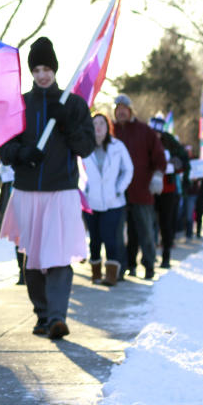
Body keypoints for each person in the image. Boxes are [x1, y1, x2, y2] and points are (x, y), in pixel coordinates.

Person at [0, 37, 95, 340]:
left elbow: (87, 147)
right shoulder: (20, 104)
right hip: (27, 191)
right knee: (33, 256)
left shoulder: (73, 104)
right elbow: (5, 148)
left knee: (58, 255)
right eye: (37, 69)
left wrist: (67, 125)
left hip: (62, 190)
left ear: (55, 69)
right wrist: (21, 154)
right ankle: (42, 314)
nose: (43, 74)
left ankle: (57, 317)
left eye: (47, 68)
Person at [112, 94, 166, 280]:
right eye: (117, 109)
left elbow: (159, 156)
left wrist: (158, 175)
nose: (121, 112)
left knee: (145, 232)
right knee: (119, 233)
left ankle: (149, 266)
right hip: (116, 193)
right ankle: (124, 265)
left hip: (141, 191)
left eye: (124, 108)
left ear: (130, 110)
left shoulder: (145, 131)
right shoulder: (111, 132)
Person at [81, 113, 133, 286]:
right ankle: (96, 274)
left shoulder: (118, 146)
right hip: (91, 202)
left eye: (102, 123)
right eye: (95, 123)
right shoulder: (84, 148)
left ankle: (111, 276)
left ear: (107, 126)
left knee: (110, 238)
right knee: (95, 240)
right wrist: (83, 190)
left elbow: (128, 170)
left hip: (113, 202)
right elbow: (78, 172)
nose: (98, 126)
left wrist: (119, 189)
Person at [149, 116, 189, 268]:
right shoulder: (147, 141)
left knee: (166, 224)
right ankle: (150, 255)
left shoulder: (170, 143)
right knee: (150, 223)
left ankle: (166, 256)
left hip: (168, 190)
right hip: (150, 189)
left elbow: (183, 160)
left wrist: (173, 164)